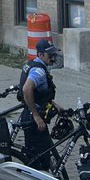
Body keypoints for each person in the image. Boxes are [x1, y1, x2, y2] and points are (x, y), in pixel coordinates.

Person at [17, 38, 60, 171]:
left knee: (33, 153)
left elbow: (38, 93)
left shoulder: (32, 64)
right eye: (49, 55)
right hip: (34, 119)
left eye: (54, 54)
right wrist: (36, 116)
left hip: (28, 114)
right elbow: (26, 89)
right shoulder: (39, 71)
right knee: (41, 157)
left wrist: (53, 103)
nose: (53, 58)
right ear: (40, 54)